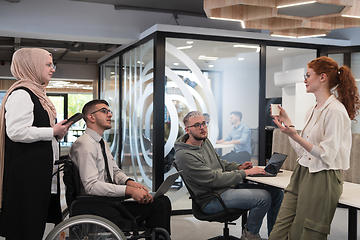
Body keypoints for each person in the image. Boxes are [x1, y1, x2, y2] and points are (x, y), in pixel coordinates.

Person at [269, 56, 360, 240]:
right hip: (302, 172)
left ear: (322, 77)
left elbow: (326, 155)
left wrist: (294, 135)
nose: (304, 79)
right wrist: (290, 128)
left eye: (308, 75)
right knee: (279, 229)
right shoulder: (312, 109)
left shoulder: (335, 111)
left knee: (305, 234)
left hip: (323, 177)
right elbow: (304, 152)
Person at [174, 111, 283, 240]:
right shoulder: (185, 155)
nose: (202, 127)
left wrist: (238, 167)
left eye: (204, 123)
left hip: (226, 188)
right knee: (262, 198)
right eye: (197, 125)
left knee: (276, 193)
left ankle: (275, 236)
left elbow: (219, 162)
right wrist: (244, 173)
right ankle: (250, 236)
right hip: (212, 198)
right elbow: (214, 179)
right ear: (187, 130)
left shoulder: (204, 141)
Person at [69, 99, 171, 237]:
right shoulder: (85, 145)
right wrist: (128, 191)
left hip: (109, 202)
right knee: (159, 206)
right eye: (104, 111)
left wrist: (130, 183)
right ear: (91, 117)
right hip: (96, 205)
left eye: (109, 111)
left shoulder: (101, 142)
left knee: (162, 200)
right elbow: (91, 186)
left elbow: (115, 172)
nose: (110, 115)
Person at [0, 48, 72, 239]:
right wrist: (52, 131)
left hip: (34, 175)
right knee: (25, 228)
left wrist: (57, 134)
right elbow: (16, 131)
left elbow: (34, 130)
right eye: (48, 64)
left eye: (52, 64)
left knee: (33, 226)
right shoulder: (22, 94)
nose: (53, 69)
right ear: (31, 66)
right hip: (25, 177)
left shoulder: (37, 93)